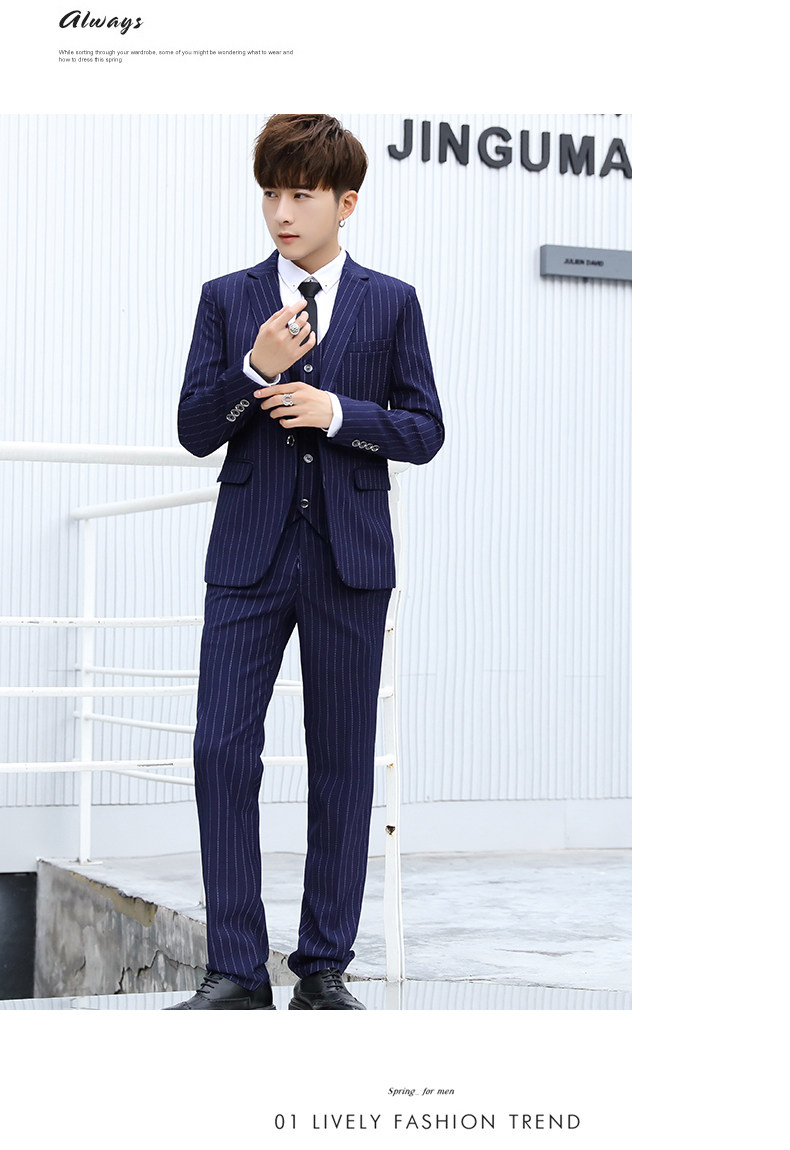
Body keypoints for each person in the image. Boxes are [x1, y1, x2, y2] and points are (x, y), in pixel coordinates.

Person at [169, 114, 444, 1010]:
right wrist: (255, 368)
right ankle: (235, 969)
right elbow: (194, 430)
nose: (281, 212)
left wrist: (337, 414)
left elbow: (425, 430)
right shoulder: (227, 298)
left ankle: (323, 965)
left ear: (345, 202)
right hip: (247, 558)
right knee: (220, 751)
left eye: (301, 194)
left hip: (348, 560)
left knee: (341, 763)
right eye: (270, 194)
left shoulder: (392, 302)